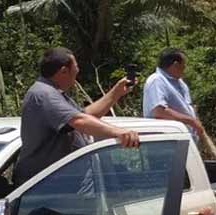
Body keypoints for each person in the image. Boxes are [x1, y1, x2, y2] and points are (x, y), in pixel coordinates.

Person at [14, 47, 139, 185]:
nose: (78, 71)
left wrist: (116, 92)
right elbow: (79, 121)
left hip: (61, 185)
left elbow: (86, 115)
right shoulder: (45, 94)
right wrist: (120, 132)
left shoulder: (52, 93)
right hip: (52, 188)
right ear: (63, 71)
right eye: (76, 67)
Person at [142, 48, 205, 142]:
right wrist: (191, 121)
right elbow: (160, 111)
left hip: (184, 139)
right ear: (175, 65)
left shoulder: (180, 83)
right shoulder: (157, 81)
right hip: (166, 141)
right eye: (184, 65)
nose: (185, 68)